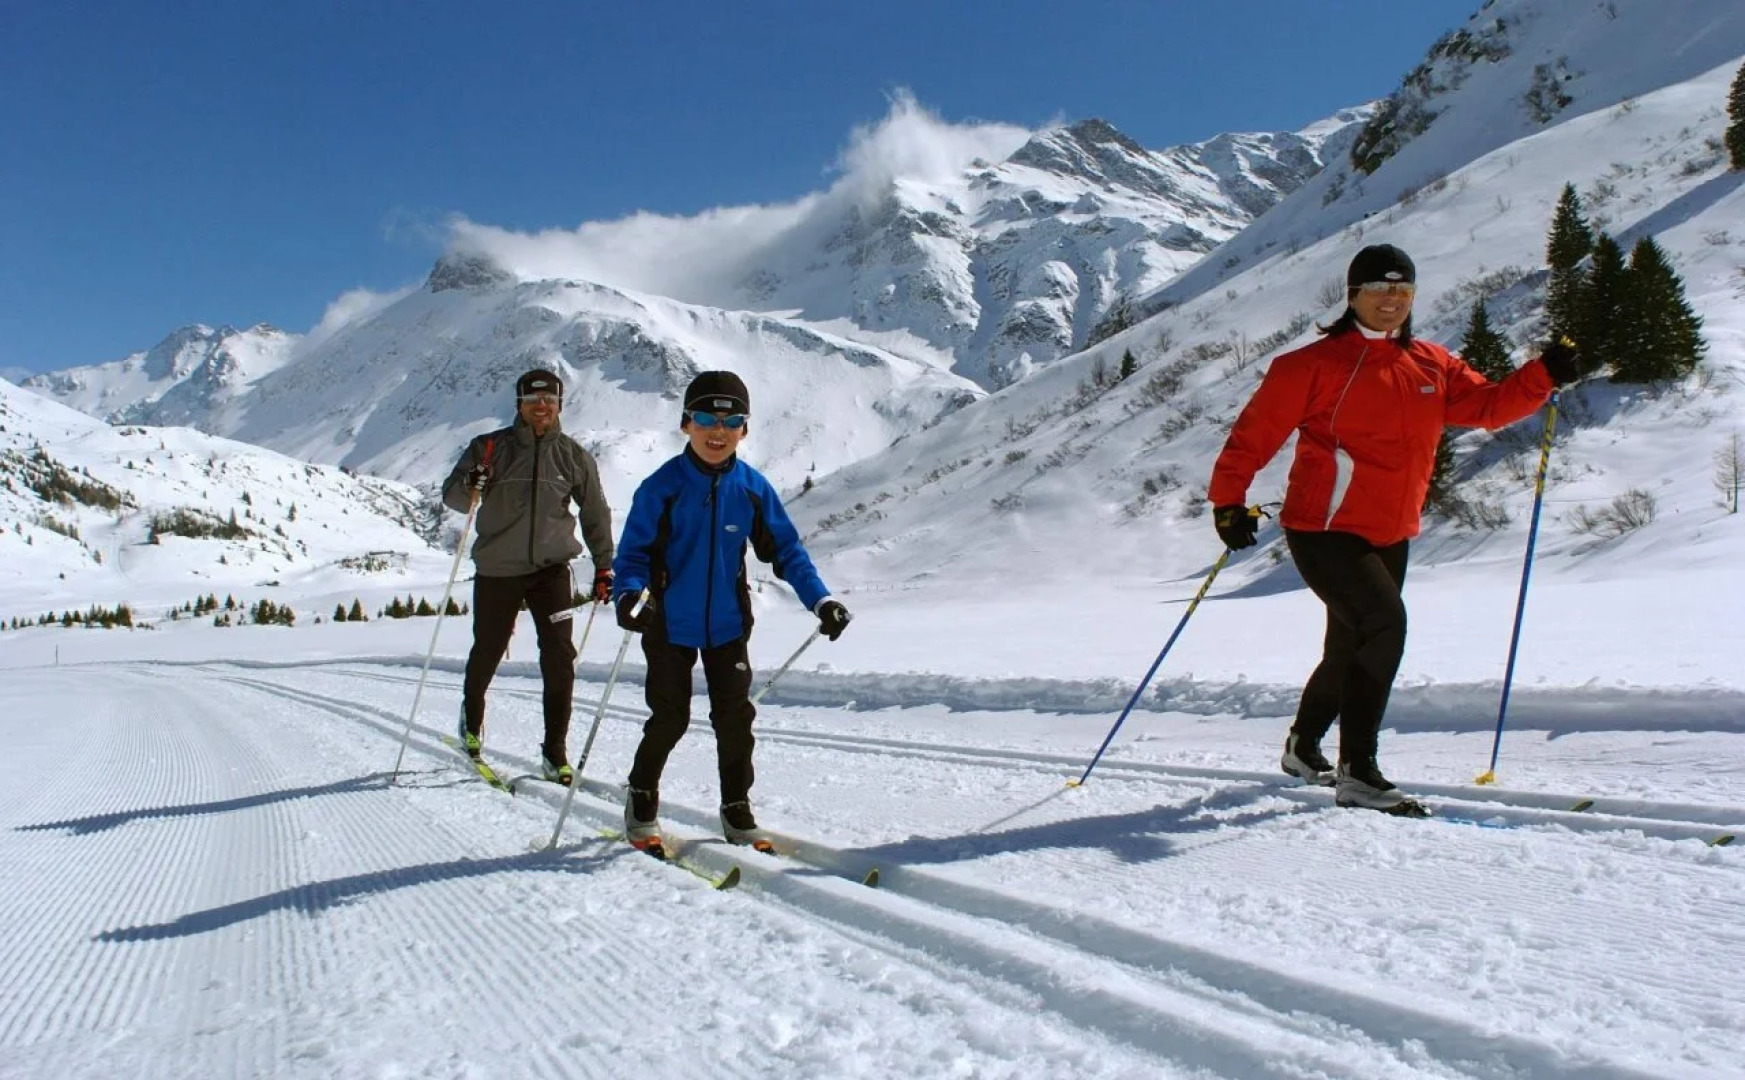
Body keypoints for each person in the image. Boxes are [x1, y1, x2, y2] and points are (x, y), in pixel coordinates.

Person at [1206, 244, 1579, 815]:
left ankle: (1303, 747)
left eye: (1402, 290)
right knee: (1383, 625)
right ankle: (1358, 771)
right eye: (1380, 289)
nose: (1392, 300)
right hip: (1325, 528)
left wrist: (1542, 375)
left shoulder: (1431, 363)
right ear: (1352, 294)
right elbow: (1253, 436)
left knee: (1351, 643)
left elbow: (1485, 407)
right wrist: (1228, 501)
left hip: (1391, 530)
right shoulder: (1309, 366)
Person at [612, 370, 852, 855]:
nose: (717, 431)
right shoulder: (662, 488)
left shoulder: (752, 489)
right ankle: (641, 800)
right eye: (705, 418)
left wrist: (821, 599)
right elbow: (632, 556)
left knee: (736, 719)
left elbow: (786, 551)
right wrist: (629, 595)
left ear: (744, 429)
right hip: (667, 625)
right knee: (670, 718)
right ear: (686, 424)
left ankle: (737, 808)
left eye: (731, 420)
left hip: (726, 625)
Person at [441, 368, 615, 786]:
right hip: (498, 568)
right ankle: (471, 722)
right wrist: (471, 483)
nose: (542, 407)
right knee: (489, 647)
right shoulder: (489, 448)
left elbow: (594, 513)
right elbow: (454, 497)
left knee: (559, 658)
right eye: (533, 399)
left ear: (559, 405)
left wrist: (604, 565)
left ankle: (555, 752)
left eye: (549, 400)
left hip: (551, 571)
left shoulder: (573, 456)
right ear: (519, 404)